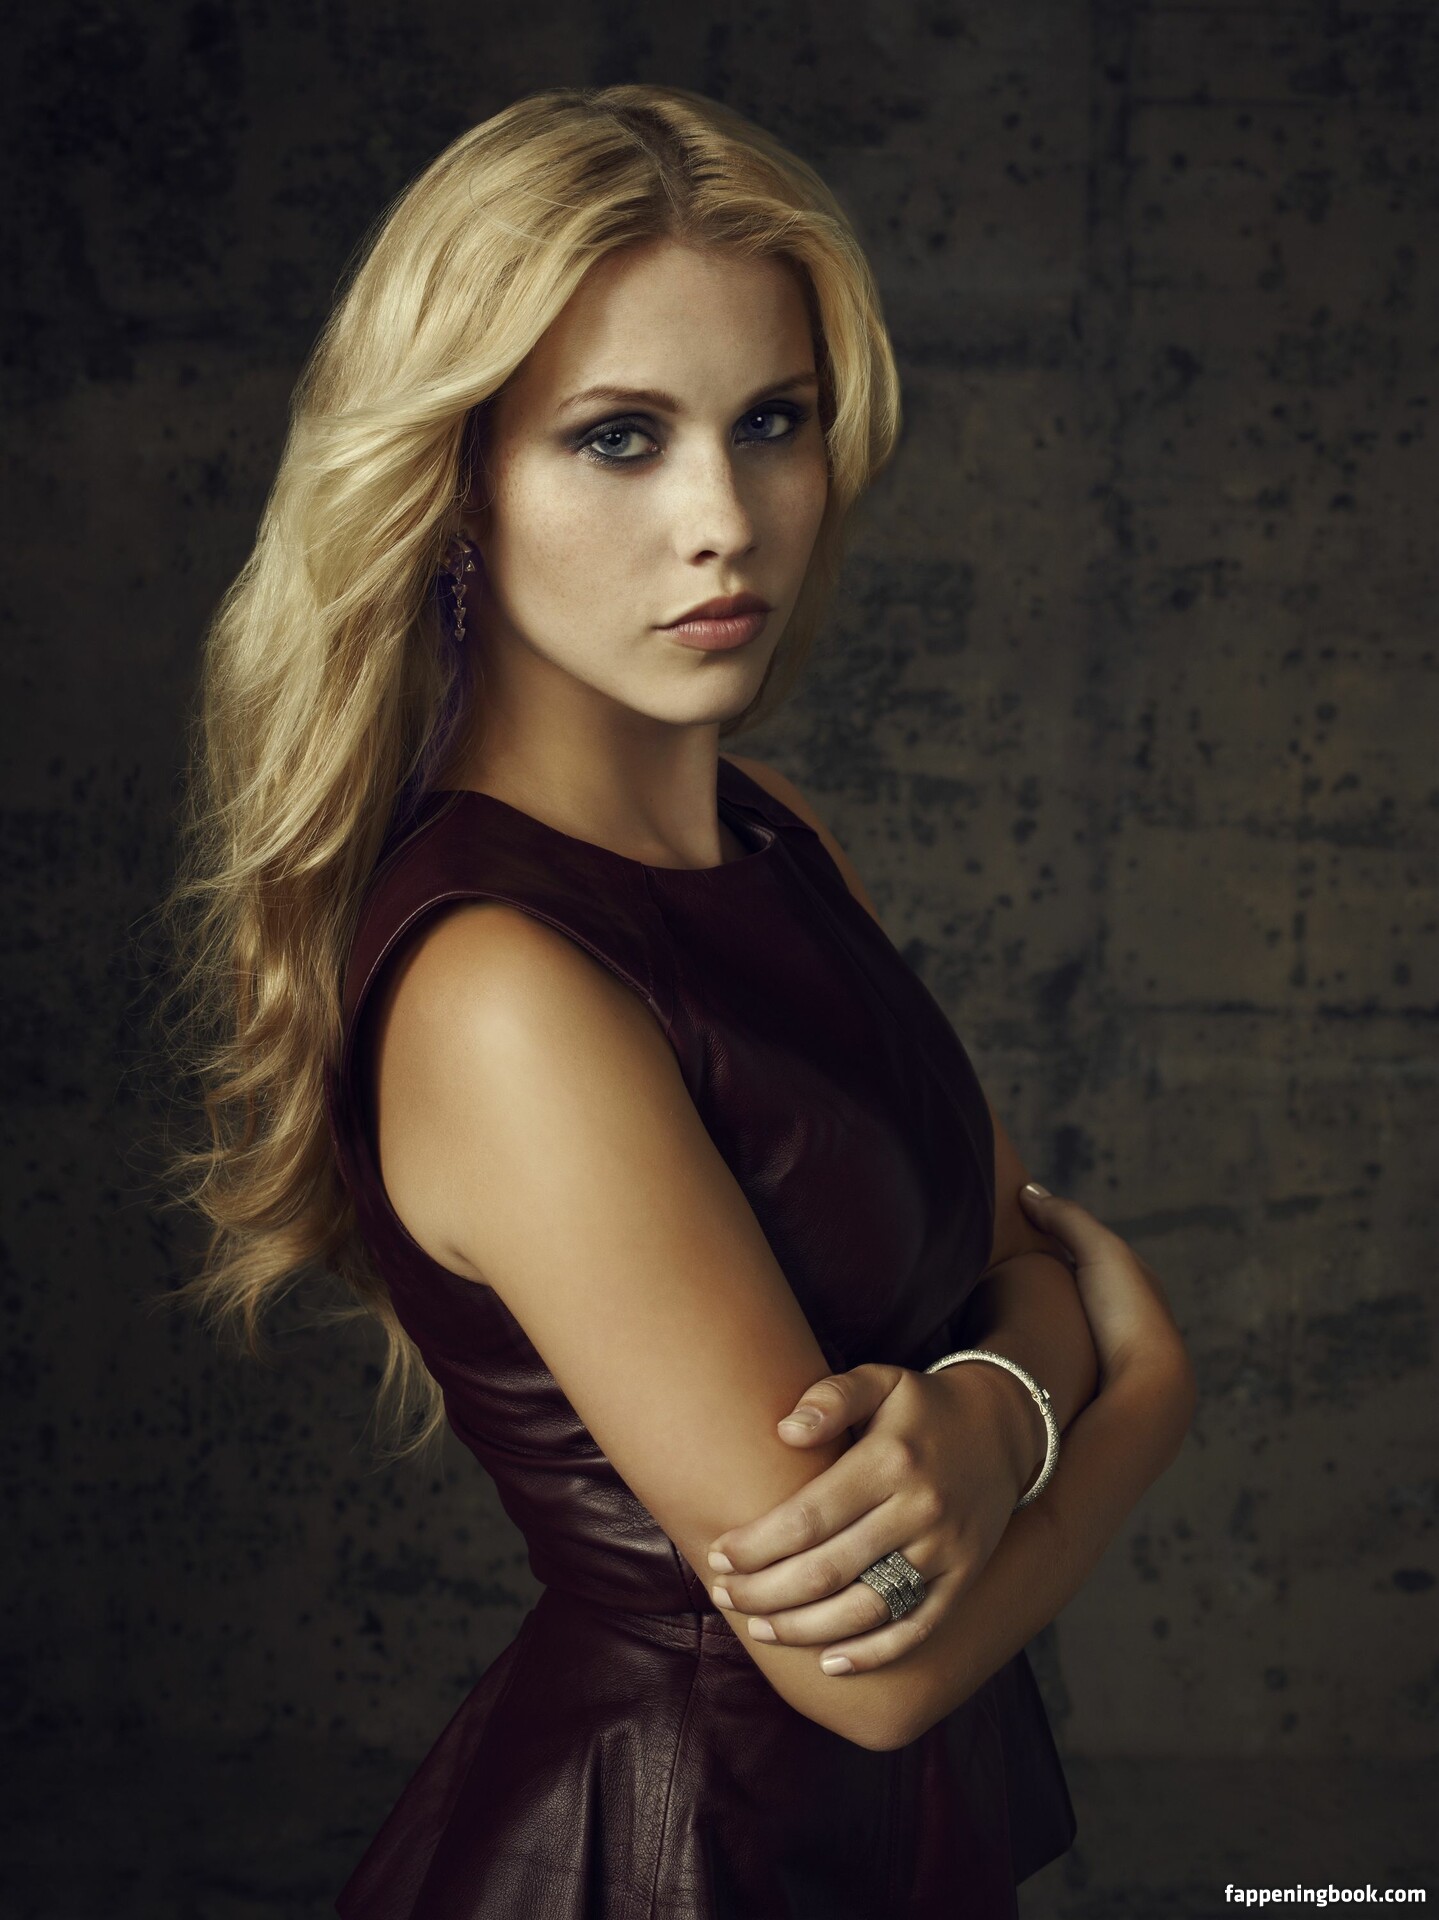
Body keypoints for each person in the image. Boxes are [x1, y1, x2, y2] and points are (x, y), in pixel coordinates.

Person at [157, 82, 1196, 1918]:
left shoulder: (780, 837)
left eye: (770, 422)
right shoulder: (500, 986)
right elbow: (868, 1665)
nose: (726, 518)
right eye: (619, 438)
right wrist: (1136, 1404)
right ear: (456, 482)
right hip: (666, 1859)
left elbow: (1011, 1255)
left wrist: (991, 1414)